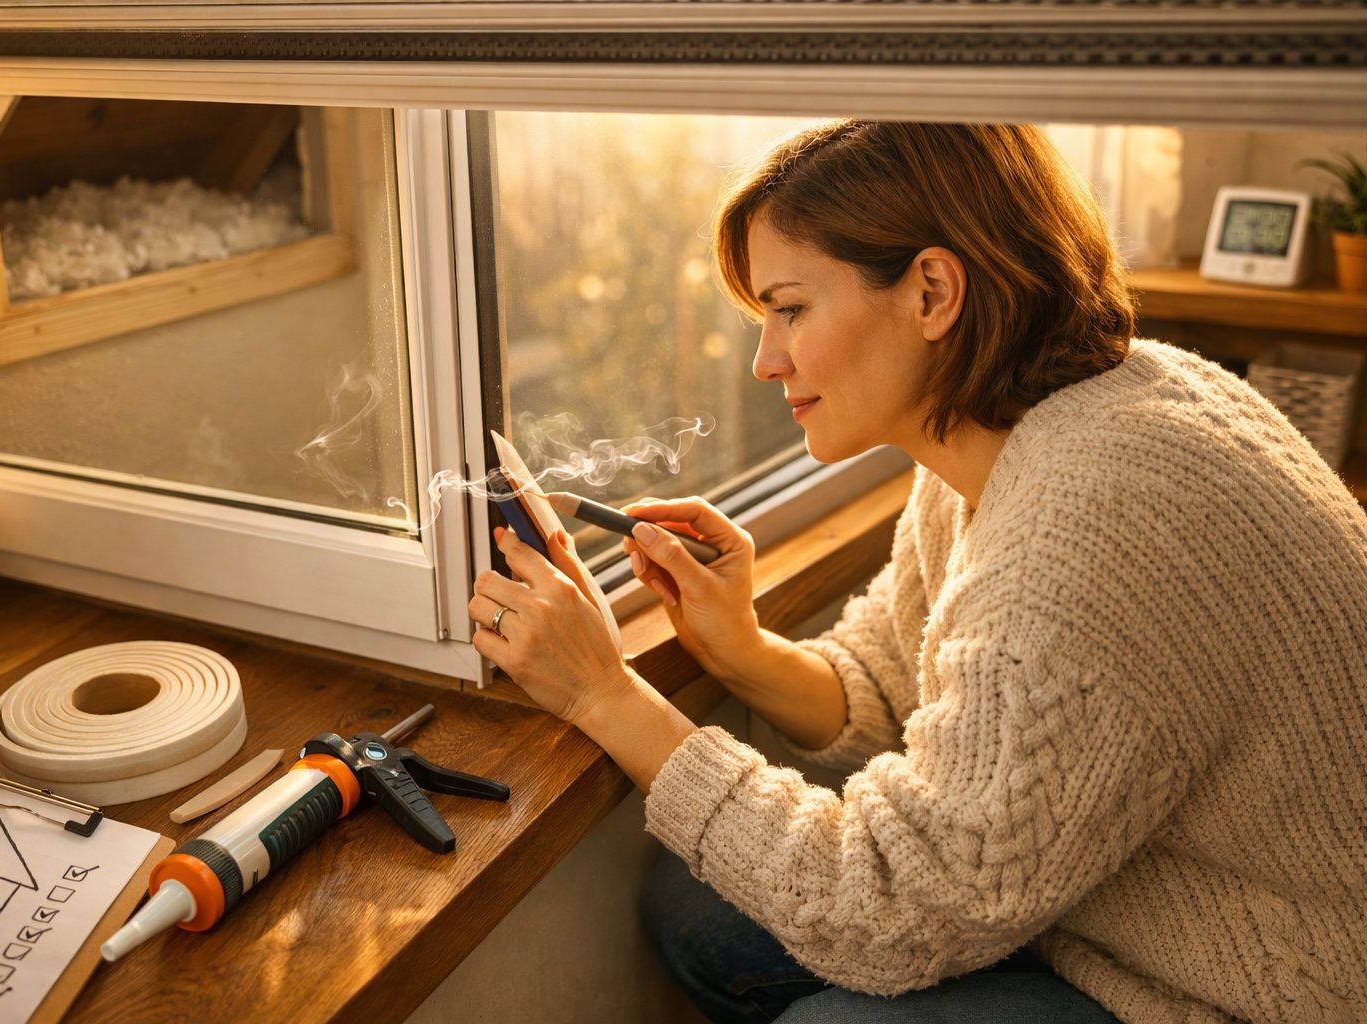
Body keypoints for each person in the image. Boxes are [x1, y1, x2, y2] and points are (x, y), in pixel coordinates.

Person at [466, 121, 1367, 1023]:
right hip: (1116, 899)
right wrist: (739, 646)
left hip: (1269, 993)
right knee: (697, 911)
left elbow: (889, 917)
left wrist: (603, 696)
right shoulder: (1012, 434)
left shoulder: (1087, 529)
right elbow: (896, 687)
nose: (766, 360)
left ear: (933, 292)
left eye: (791, 310)